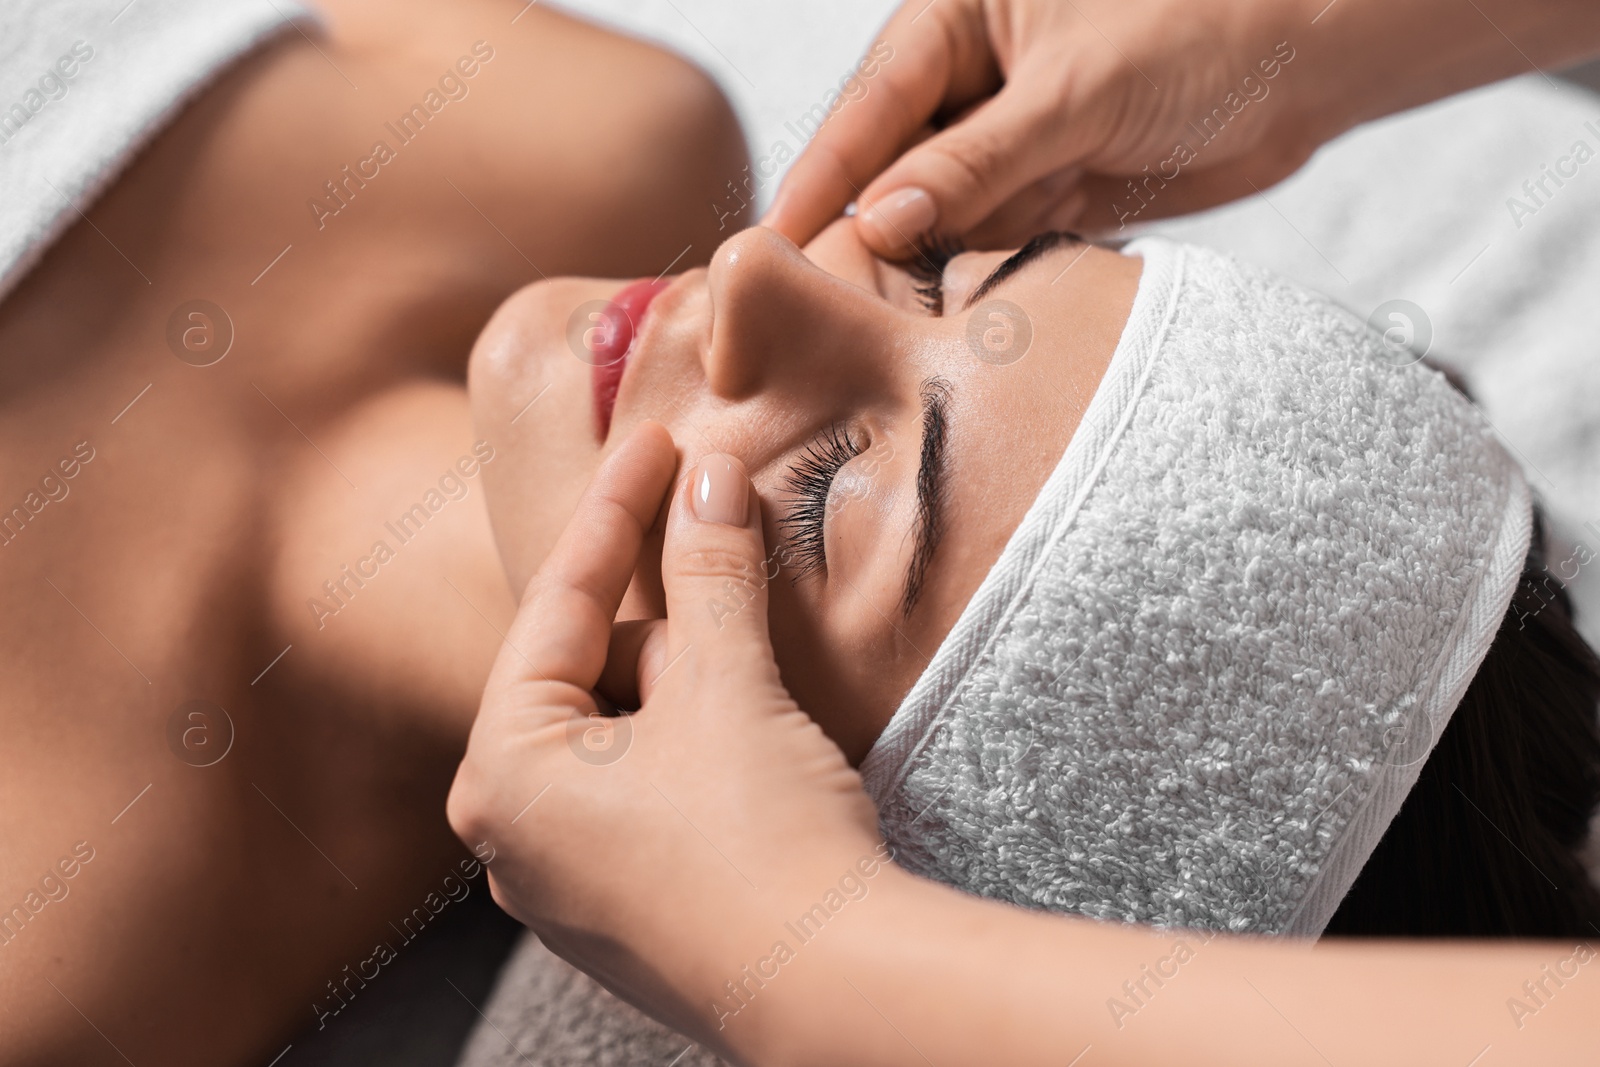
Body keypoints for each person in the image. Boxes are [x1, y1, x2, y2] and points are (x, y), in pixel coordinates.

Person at [448, 0, 1600, 1061]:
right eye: (937, 272)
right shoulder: (619, 121)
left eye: (824, 493)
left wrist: (792, 941)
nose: (758, 266)